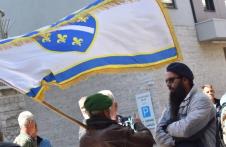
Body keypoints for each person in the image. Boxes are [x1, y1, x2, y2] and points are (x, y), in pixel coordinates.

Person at [155, 62, 216, 147]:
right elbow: (158, 133)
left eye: (171, 80)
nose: (168, 85)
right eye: (166, 82)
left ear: (185, 80)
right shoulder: (171, 105)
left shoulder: (201, 100)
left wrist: (167, 127)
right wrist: (174, 142)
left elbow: (187, 129)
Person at [80, 93, 155, 147]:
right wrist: (138, 124)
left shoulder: (84, 140)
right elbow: (147, 141)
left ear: (89, 114)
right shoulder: (115, 131)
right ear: (106, 112)